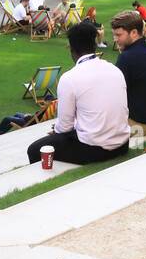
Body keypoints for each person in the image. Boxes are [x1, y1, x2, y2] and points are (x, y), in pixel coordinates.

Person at [25, 22, 131, 165]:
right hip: (122, 144)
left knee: (34, 149)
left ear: (71, 49)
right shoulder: (114, 70)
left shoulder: (69, 78)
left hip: (95, 149)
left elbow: (64, 127)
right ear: (94, 45)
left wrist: (57, 132)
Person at [111, 11, 146, 136]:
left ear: (134, 33)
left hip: (137, 124)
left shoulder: (127, 57)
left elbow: (113, 95)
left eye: (119, 35)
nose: (115, 39)